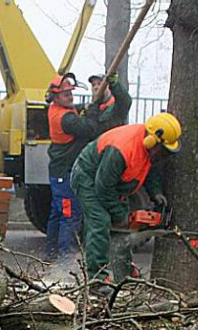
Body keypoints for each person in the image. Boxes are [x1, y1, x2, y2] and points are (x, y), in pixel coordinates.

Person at [71, 112, 182, 285]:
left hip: (112, 184)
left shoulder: (147, 149)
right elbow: (103, 188)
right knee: (100, 221)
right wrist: (121, 214)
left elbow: (148, 169)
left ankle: (123, 274)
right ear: (152, 141)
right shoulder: (122, 149)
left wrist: (155, 192)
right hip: (88, 177)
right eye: (164, 150)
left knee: (120, 229)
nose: (164, 155)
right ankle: (96, 280)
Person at [44, 73, 98, 261]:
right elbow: (89, 129)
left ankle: (50, 254)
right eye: (66, 94)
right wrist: (92, 110)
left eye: (70, 93)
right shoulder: (66, 119)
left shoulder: (56, 109)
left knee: (57, 213)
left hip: (58, 170)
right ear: (56, 96)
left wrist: (83, 107)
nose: (70, 97)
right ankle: (66, 260)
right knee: (70, 214)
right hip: (65, 171)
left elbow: (74, 110)